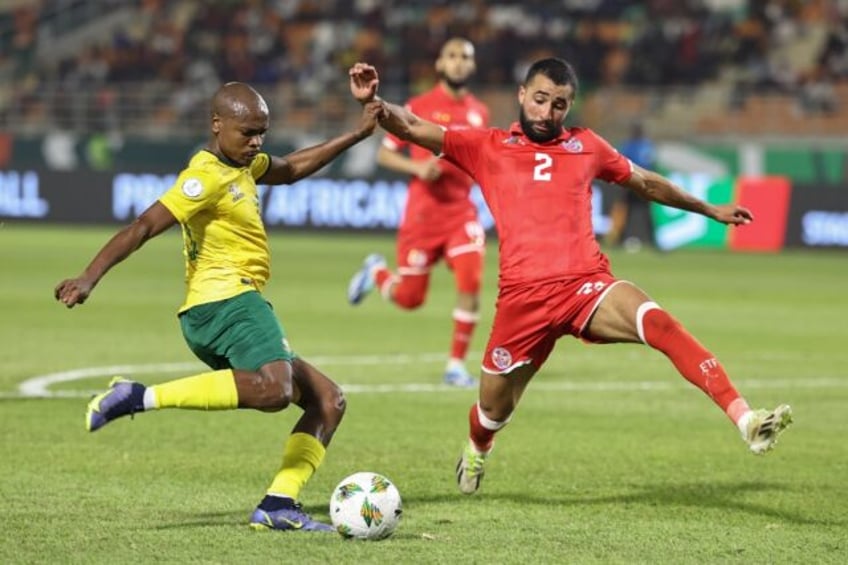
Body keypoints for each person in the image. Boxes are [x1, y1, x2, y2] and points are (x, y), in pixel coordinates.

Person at [348, 58, 793, 495]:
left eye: (559, 104)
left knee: (658, 322)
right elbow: (414, 127)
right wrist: (377, 104)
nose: (547, 112)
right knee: (492, 409)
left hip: (586, 285)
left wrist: (708, 208)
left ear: (570, 106)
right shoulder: (487, 145)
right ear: (522, 95)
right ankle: (479, 445)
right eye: (540, 99)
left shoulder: (587, 146)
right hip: (522, 301)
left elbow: (646, 183)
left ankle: (745, 418)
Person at [55, 82, 382, 529]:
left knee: (328, 400)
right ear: (217, 125)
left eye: (262, 133)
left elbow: (290, 168)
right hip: (226, 301)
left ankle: (277, 505)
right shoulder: (204, 176)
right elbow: (144, 226)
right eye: (247, 133)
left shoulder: (245, 166)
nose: (256, 143)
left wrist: (358, 133)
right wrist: (88, 277)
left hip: (229, 305)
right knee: (277, 390)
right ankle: (138, 396)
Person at [346, 38, 490, 388]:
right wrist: (418, 170)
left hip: (461, 213)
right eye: (452, 56)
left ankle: (455, 366)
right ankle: (377, 273)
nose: (458, 63)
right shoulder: (419, 105)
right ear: (440, 64)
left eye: (465, 58)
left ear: (471, 67)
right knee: (410, 299)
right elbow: (385, 155)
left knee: (471, 281)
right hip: (423, 217)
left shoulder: (479, 112)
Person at [604, 121, 658, 251]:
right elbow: (651, 164)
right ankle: (654, 241)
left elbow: (621, 162)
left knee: (625, 210)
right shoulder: (647, 145)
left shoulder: (629, 145)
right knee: (644, 213)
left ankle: (620, 240)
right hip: (643, 182)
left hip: (631, 182)